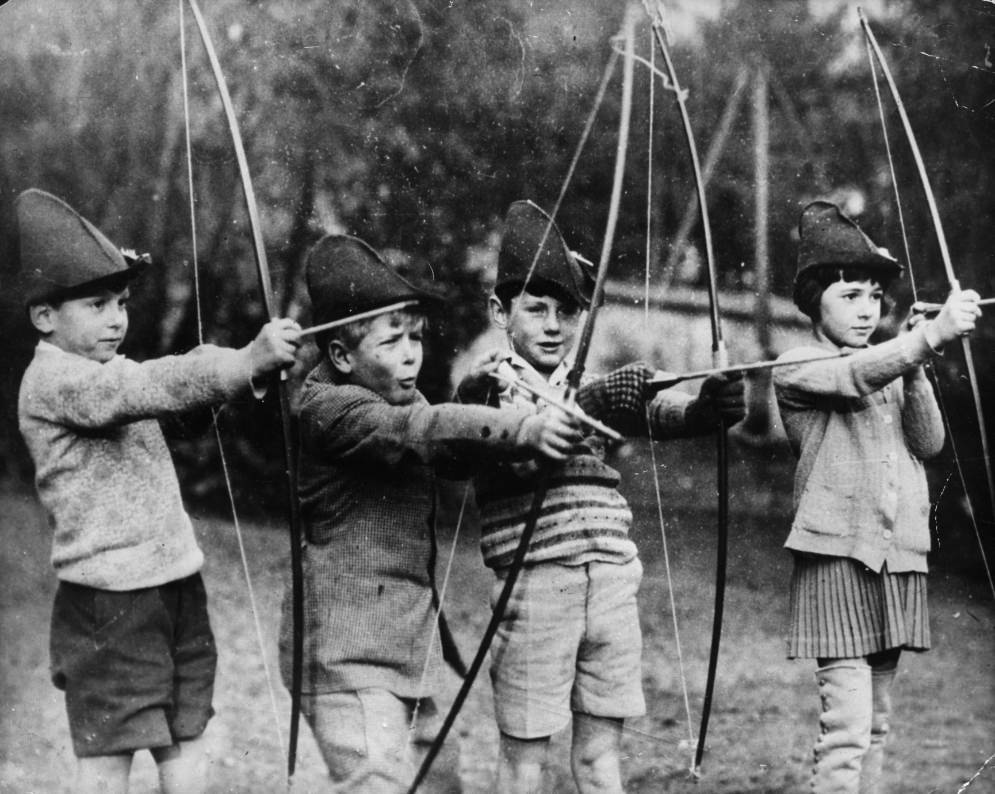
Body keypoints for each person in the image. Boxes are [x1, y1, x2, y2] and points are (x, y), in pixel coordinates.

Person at [14, 188, 302, 794]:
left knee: (186, 731)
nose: (117, 318)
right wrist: (241, 361)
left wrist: (239, 376)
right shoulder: (52, 380)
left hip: (175, 582)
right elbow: (146, 390)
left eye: (120, 302)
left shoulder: (109, 371)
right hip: (109, 601)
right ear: (45, 316)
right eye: (96, 304)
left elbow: (169, 407)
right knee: (110, 752)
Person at [455, 200, 745, 793]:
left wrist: (706, 412)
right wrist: (592, 404)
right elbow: (515, 443)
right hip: (536, 584)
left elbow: (657, 414)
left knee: (599, 757)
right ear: (499, 311)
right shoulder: (486, 386)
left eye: (567, 311)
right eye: (535, 310)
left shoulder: (586, 381)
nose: (553, 325)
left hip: (611, 580)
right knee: (524, 758)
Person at [275, 234, 582, 792]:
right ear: (342, 356)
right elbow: (421, 433)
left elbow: (447, 447)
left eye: (415, 338)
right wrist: (525, 430)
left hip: (405, 651)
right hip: (344, 655)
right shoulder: (328, 408)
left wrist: (475, 398)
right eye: (392, 343)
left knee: (440, 781)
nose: (412, 354)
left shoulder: (403, 399)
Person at [772, 201, 981, 793]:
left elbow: (929, 440)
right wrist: (923, 340)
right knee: (847, 727)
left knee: (878, 725)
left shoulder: (889, 365)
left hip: (897, 562)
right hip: (837, 562)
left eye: (873, 297)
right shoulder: (798, 365)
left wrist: (917, 359)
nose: (866, 310)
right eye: (849, 297)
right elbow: (853, 377)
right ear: (816, 301)